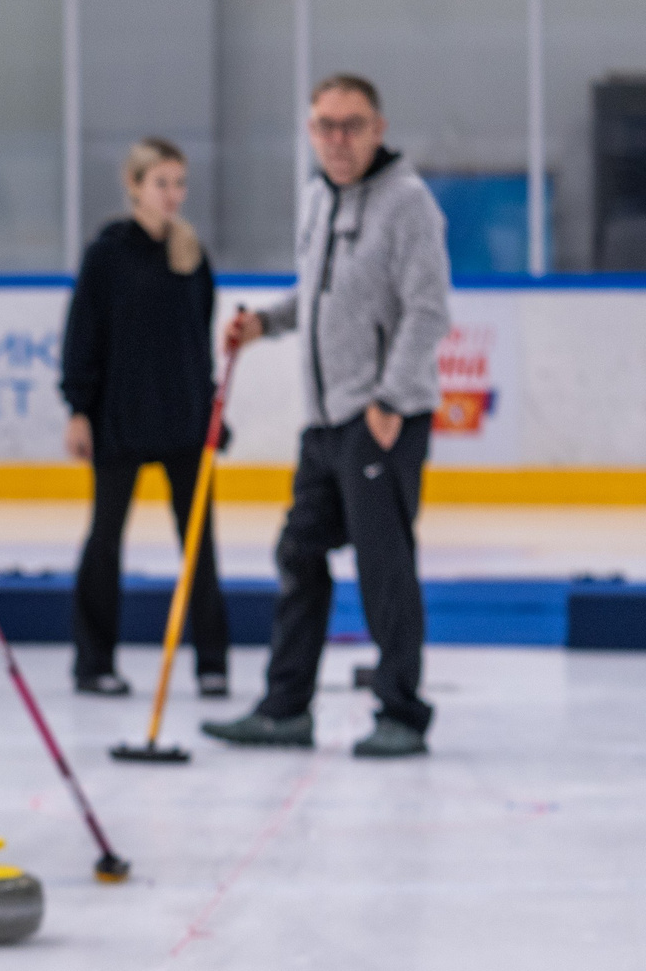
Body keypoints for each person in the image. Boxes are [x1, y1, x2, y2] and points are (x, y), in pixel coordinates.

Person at [208, 73, 448, 758]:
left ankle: (401, 711)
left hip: (379, 419)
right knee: (299, 553)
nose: (337, 139)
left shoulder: (408, 205)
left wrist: (391, 400)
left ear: (378, 128)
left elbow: (429, 309)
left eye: (352, 125)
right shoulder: (318, 196)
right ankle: (287, 708)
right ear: (311, 131)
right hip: (323, 421)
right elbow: (316, 293)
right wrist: (266, 323)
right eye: (325, 126)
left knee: (384, 568)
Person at [61, 137, 230, 699]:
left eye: (179, 183)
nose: (172, 194)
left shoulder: (192, 255)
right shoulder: (107, 253)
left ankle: (212, 661)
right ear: (134, 186)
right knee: (104, 540)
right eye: (161, 183)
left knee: (199, 540)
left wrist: (211, 408)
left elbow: (198, 342)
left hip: (183, 418)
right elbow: (83, 333)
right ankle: (94, 662)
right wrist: (79, 408)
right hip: (121, 419)